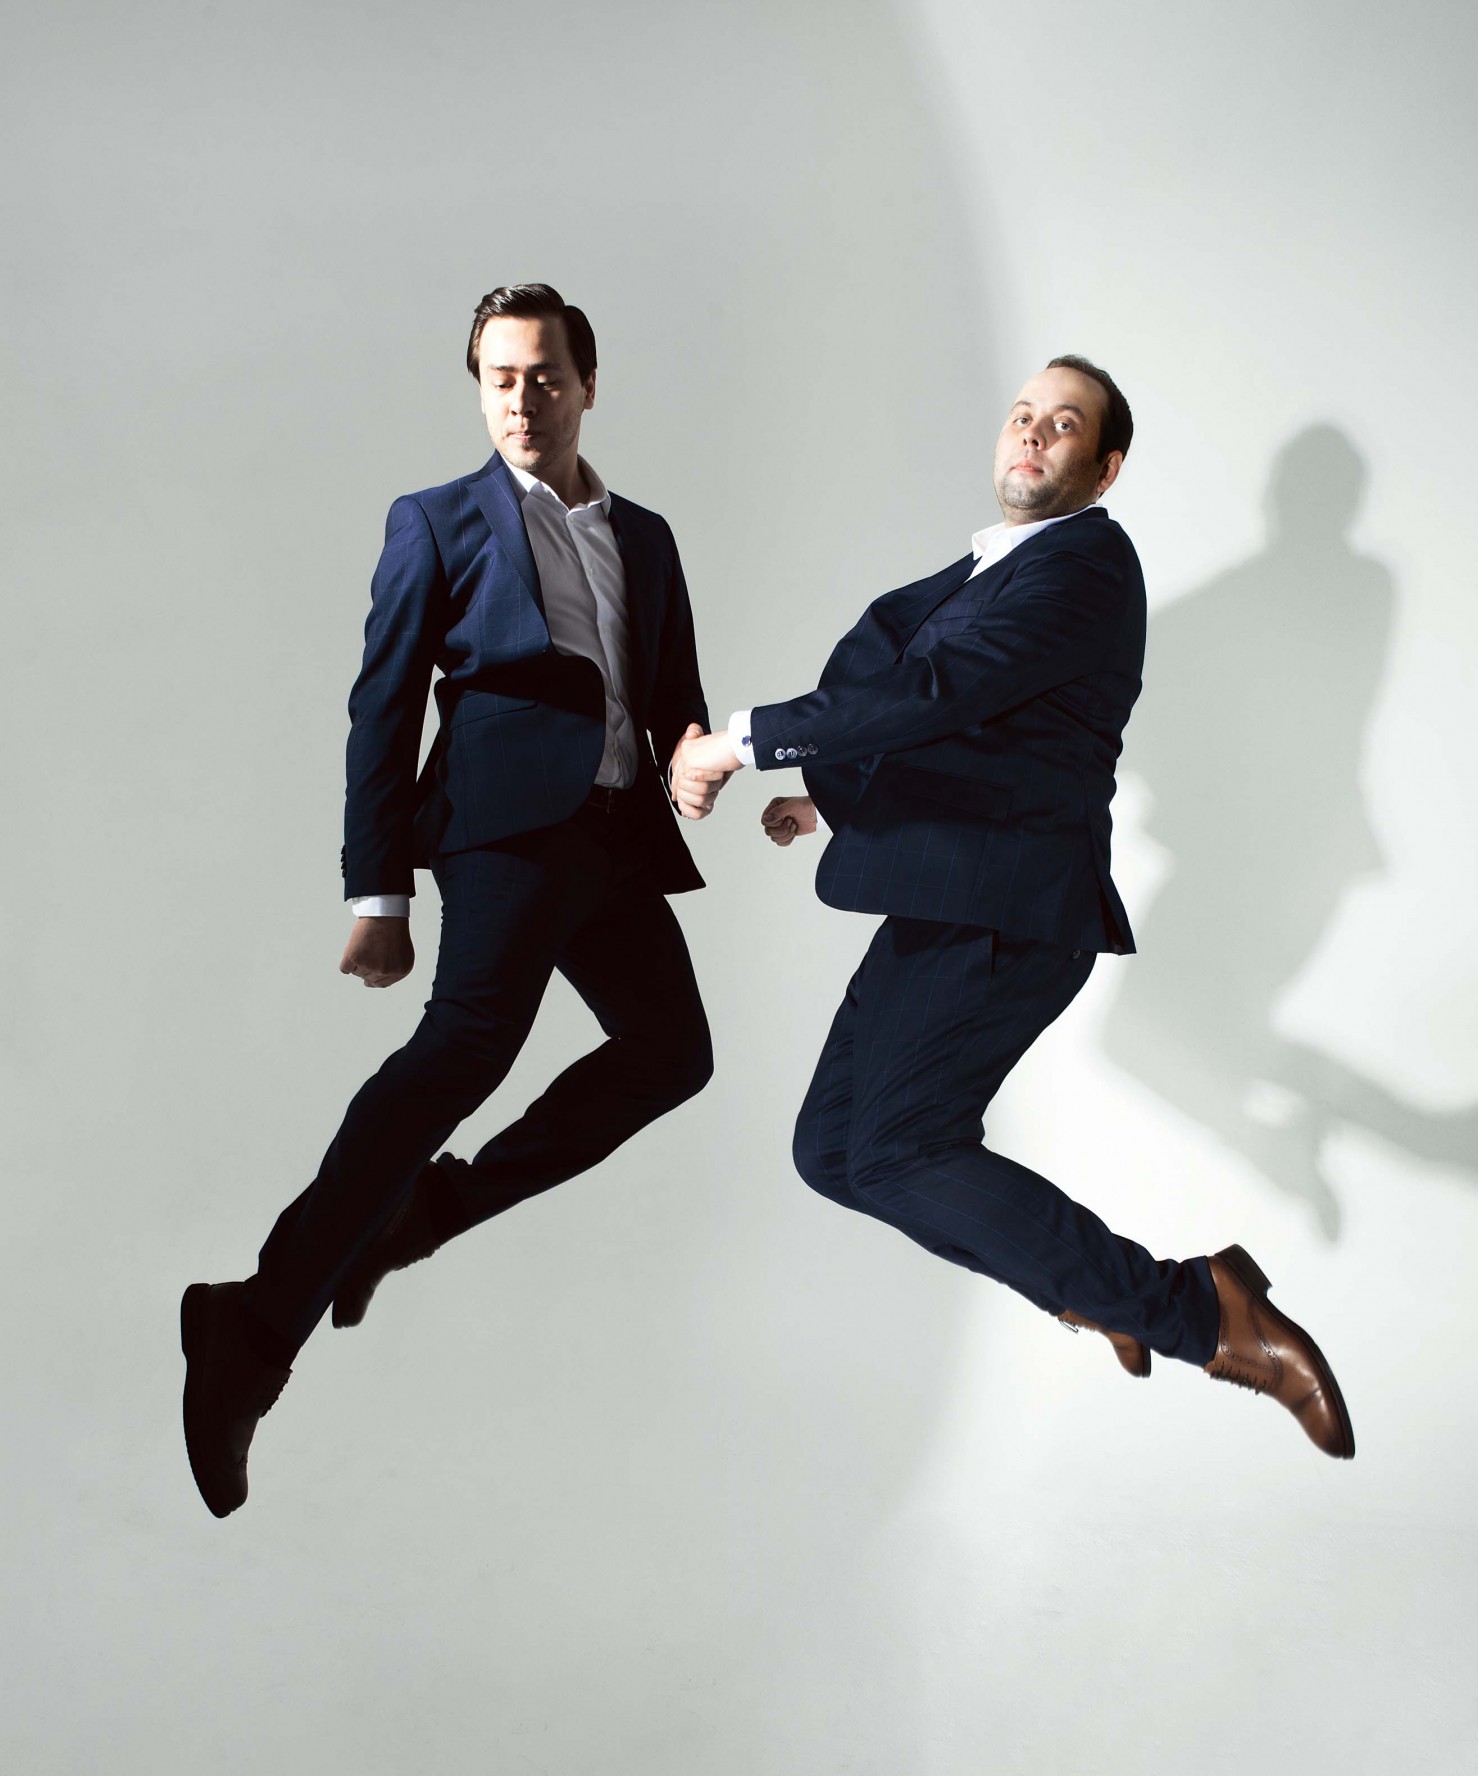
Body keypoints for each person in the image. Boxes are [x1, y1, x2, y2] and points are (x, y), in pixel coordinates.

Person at [670, 356, 1355, 1459]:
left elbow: (941, 691)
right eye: (1022, 414)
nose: (1032, 433)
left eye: (1064, 424)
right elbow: (974, 721)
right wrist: (832, 801)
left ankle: (1204, 1313)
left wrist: (740, 743)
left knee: (896, 1151)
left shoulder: (1084, 564)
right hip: (948, 897)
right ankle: (1097, 1287)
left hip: (1004, 907)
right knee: (832, 1152)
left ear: (1105, 467)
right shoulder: (1005, 565)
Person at [182, 283, 719, 1518]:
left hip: (612, 836)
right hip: (502, 833)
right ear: (480, 388)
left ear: (588, 385)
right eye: (498, 378)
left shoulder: (644, 536)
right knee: (461, 1051)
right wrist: (377, 889)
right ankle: (252, 1330)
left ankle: (416, 1213)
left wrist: (718, 760)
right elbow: (381, 707)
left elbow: (675, 695)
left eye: (543, 376)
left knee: (671, 1053)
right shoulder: (435, 521)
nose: (520, 400)